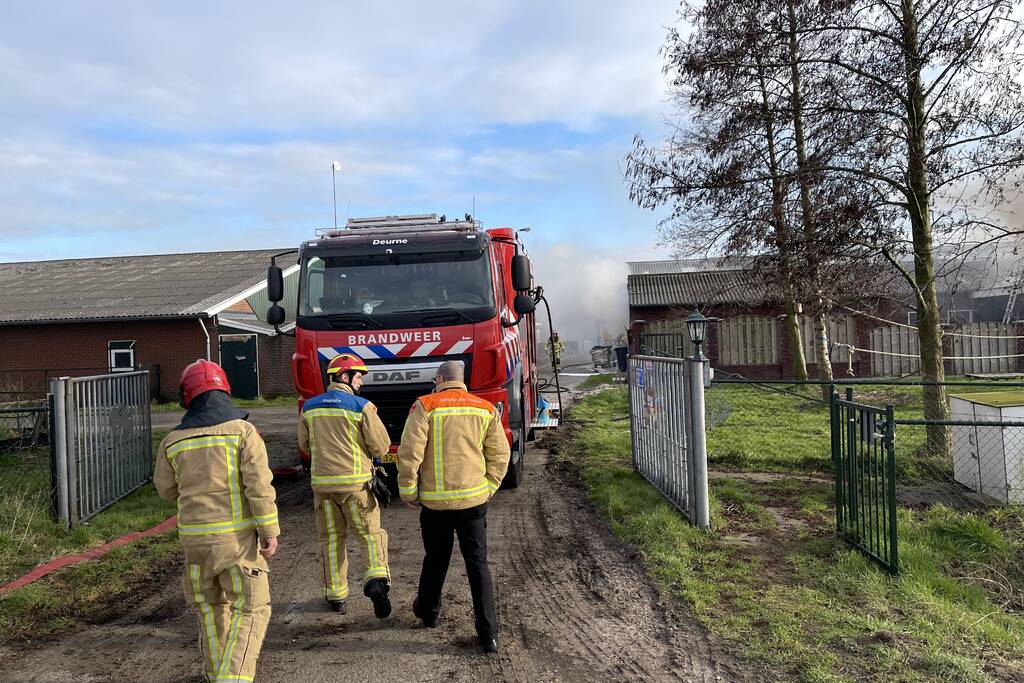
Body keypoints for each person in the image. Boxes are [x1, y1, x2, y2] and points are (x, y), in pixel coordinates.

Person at [154, 359, 279, 683]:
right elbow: (258, 486)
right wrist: (269, 530)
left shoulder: (172, 441)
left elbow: (166, 490)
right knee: (252, 608)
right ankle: (232, 678)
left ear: (187, 396)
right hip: (236, 543)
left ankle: (215, 674)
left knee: (211, 610)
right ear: (225, 390)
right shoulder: (243, 432)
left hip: (195, 544)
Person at [397, 360, 511, 654]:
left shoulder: (425, 406)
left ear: (439, 379)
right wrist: (488, 487)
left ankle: (428, 611)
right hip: (473, 502)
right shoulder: (485, 408)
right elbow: (500, 454)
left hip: (435, 505)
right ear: (462, 380)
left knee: (436, 558)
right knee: (478, 564)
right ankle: (488, 634)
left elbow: (410, 453)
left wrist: (408, 491)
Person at [298, 353, 393, 617]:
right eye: (358, 376)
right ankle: (376, 582)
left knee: (331, 540)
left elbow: (304, 446)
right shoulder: (362, 406)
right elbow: (381, 446)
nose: (361, 382)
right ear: (344, 376)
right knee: (369, 535)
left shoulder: (309, 408)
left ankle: (336, 595)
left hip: (323, 488)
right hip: (356, 487)